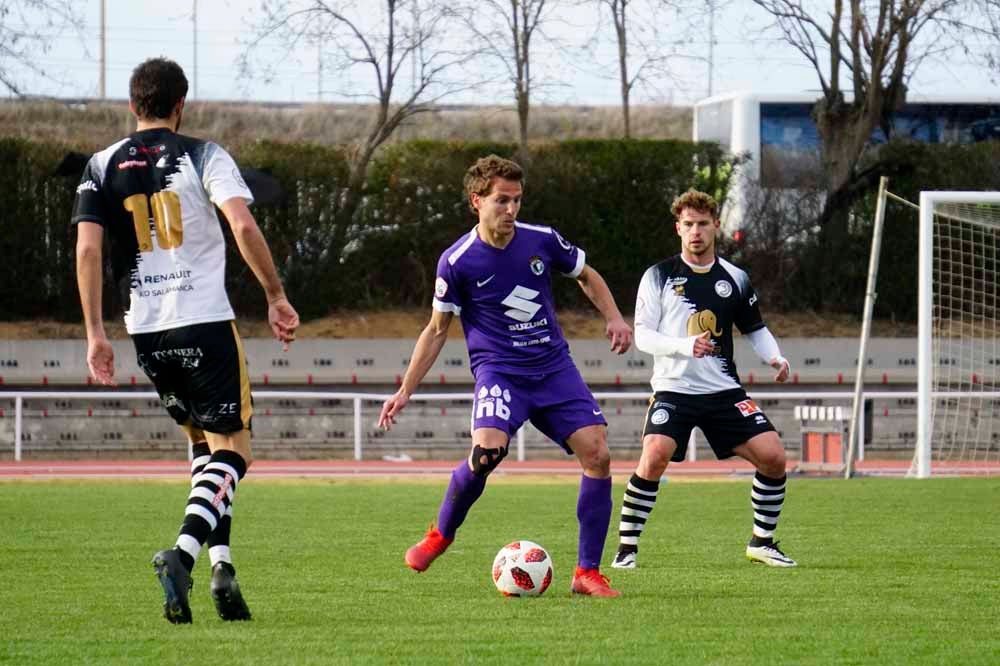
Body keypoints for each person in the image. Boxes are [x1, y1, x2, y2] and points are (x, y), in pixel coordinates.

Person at [72, 57, 299, 623]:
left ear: (132, 104)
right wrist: (274, 294)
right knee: (236, 451)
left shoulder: (99, 165)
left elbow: (88, 251)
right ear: (181, 105)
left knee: (206, 450)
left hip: (145, 328)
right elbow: (243, 225)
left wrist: (96, 334)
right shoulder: (203, 154)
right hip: (202, 320)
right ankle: (184, 555)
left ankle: (222, 568)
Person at [378, 154, 633, 597]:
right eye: (501, 200)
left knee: (598, 455)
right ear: (477, 201)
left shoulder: (541, 239)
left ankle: (587, 573)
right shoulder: (456, 262)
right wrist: (405, 390)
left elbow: (586, 275)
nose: (511, 210)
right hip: (500, 373)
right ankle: (441, 534)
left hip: (553, 367)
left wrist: (614, 317)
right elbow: (437, 331)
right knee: (486, 455)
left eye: (516, 200)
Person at [610, 189, 797, 570]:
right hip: (674, 389)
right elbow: (643, 336)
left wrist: (774, 356)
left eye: (703, 224)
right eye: (689, 224)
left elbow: (755, 328)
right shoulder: (658, 276)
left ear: (716, 227)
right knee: (655, 455)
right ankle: (627, 548)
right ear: (678, 228)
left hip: (723, 391)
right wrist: (684, 346)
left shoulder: (735, 277)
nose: (696, 231)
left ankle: (762, 542)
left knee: (774, 457)